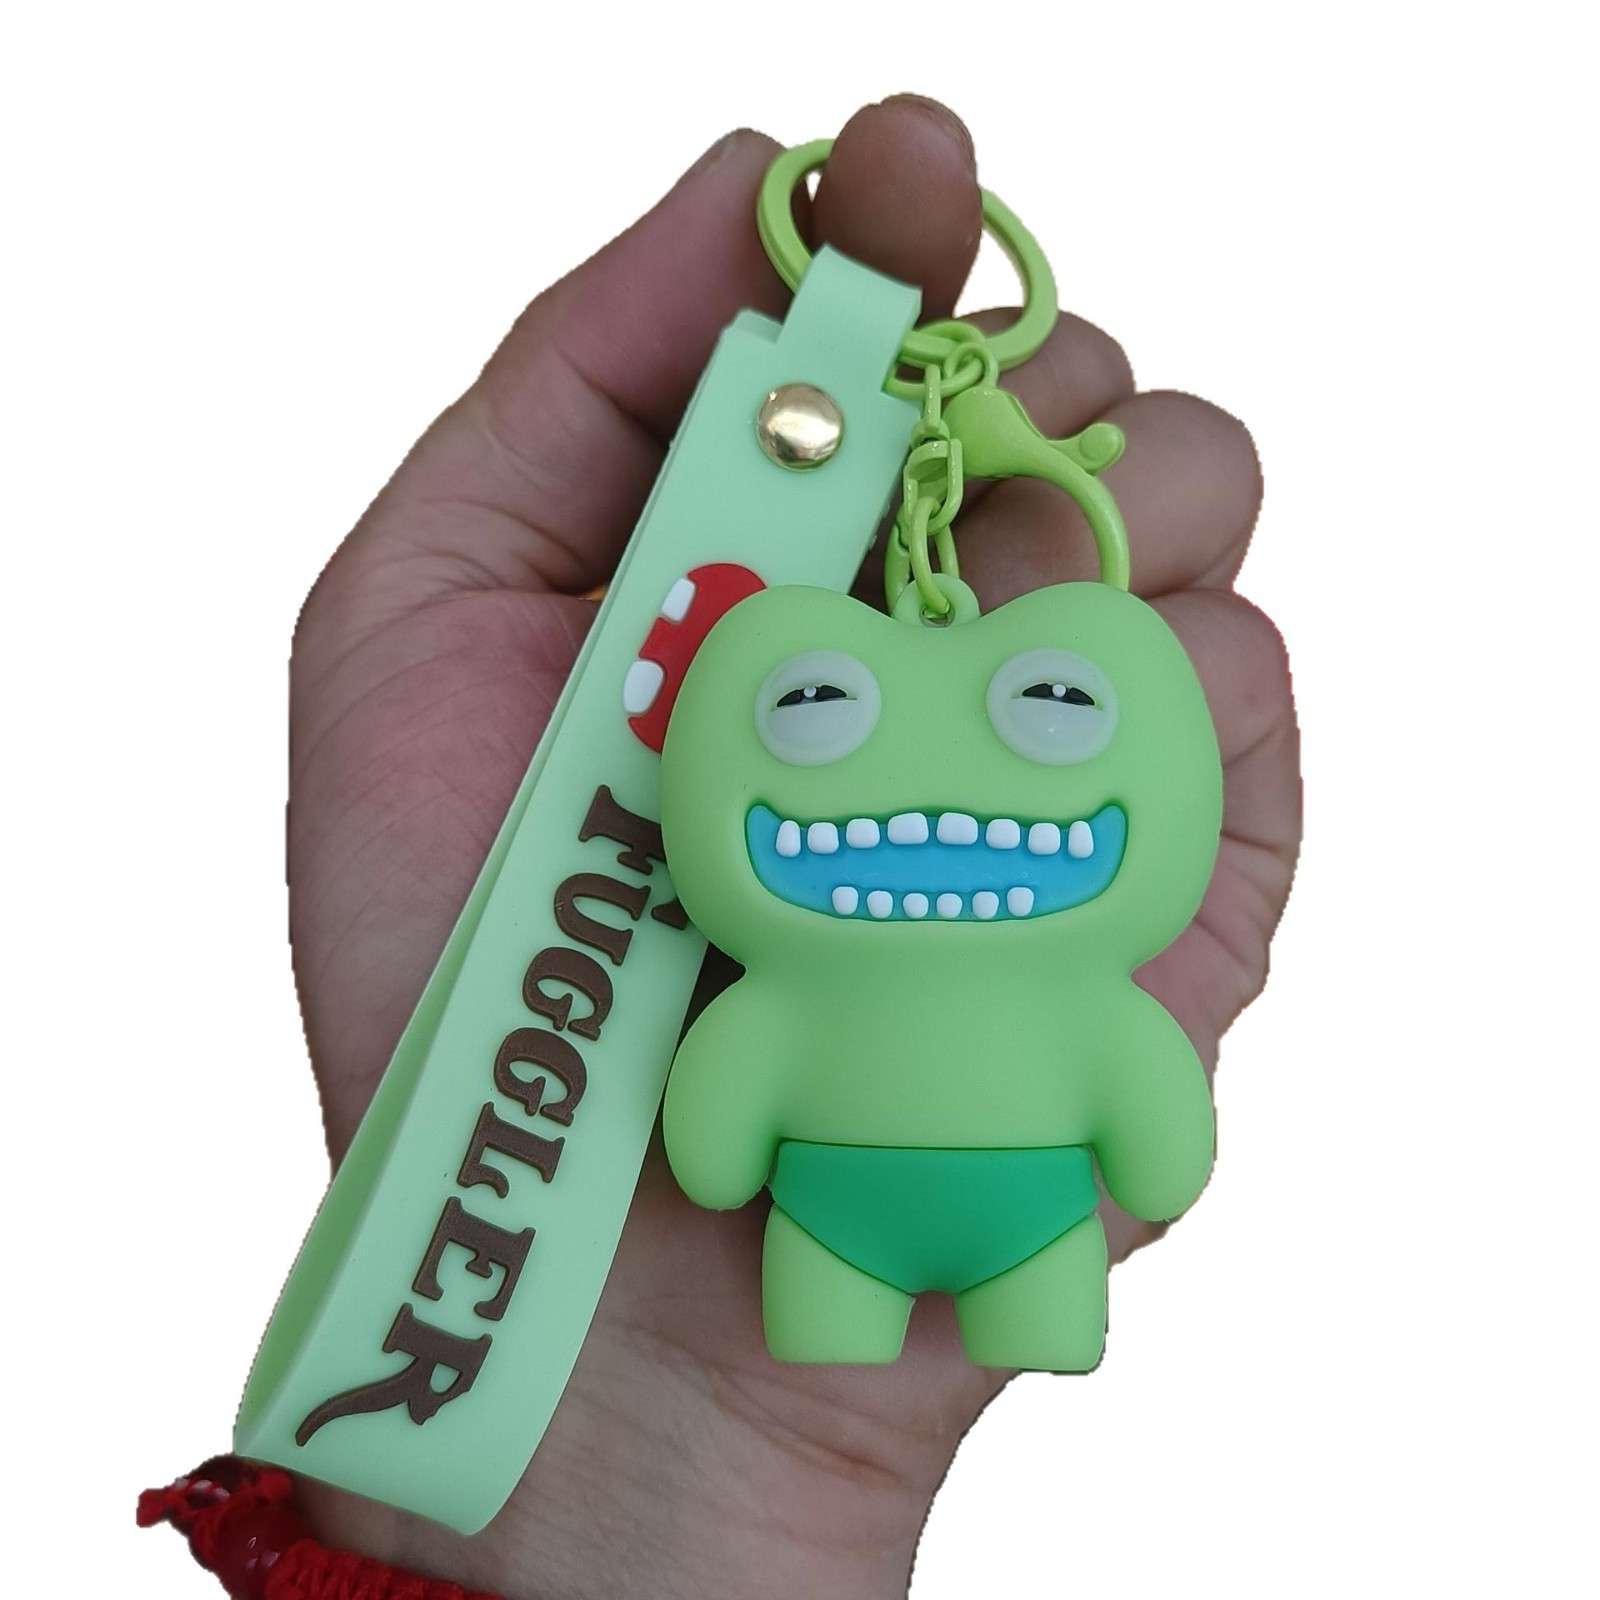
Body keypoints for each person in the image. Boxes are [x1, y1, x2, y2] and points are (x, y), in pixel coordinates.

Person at [282, 94, 1298, 1598]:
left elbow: (1124, 1089)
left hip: (970, 1214)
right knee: (838, 1285)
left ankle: (1019, 1298)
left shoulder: (1057, 969)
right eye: (813, 709)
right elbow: (739, 1093)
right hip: (814, 1222)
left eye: (1058, 709)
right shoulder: (778, 937)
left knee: (985, 1281)